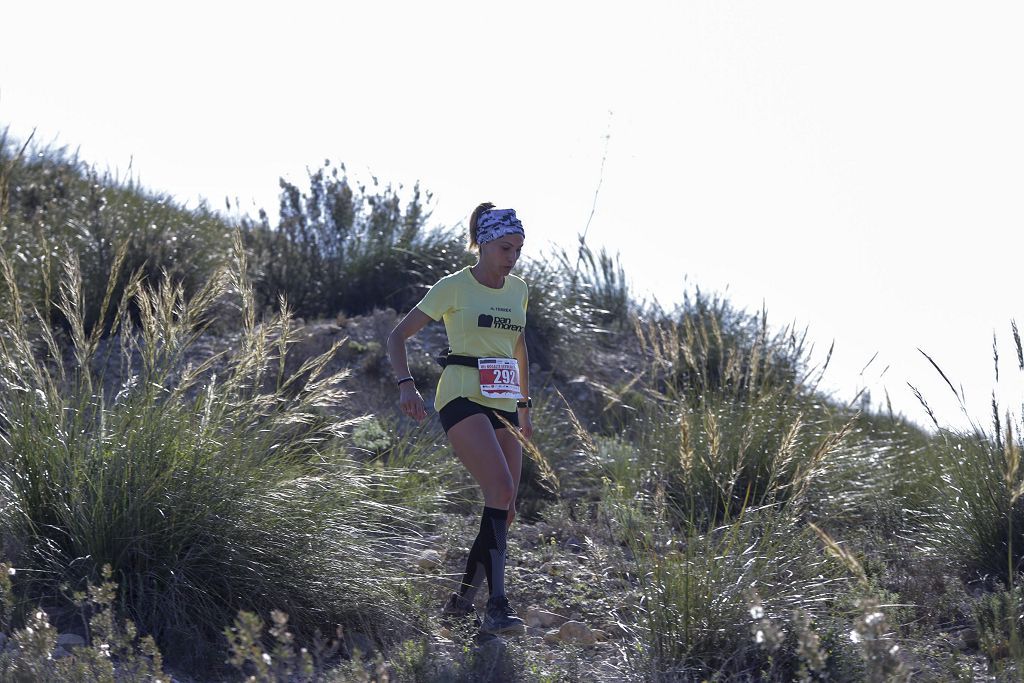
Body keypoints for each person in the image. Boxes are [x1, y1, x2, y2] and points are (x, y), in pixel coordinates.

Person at [386, 202, 532, 636]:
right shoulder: (453, 287)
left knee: (504, 508)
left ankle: (460, 603)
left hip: (505, 400)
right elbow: (397, 336)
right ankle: (498, 606)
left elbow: (520, 348)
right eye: (506, 247)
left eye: (519, 249)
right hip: (461, 395)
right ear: (484, 244)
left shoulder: (519, 290)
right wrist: (406, 384)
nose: (513, 256)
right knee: (500, 488)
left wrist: (525, 408)